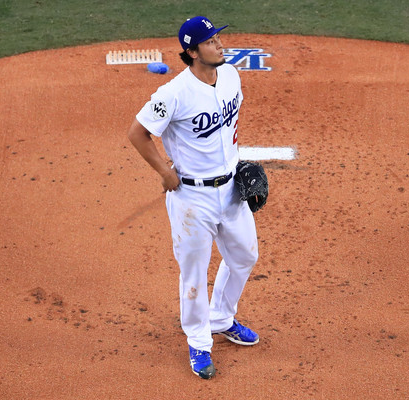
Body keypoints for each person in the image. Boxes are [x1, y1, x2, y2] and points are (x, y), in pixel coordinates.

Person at [127, 16, 260, 380]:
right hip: (192, 198)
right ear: (191, 51)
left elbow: (227, 129)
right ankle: (199, 342)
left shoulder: (230, 75)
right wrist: (164, 171)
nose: (219, 44)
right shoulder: (173, 94)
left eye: (218, 37)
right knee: (194, 274)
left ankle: (220, 318)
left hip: (231, 190)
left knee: (245, 256)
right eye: (211, 41)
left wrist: (235, 162)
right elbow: (137, 133)